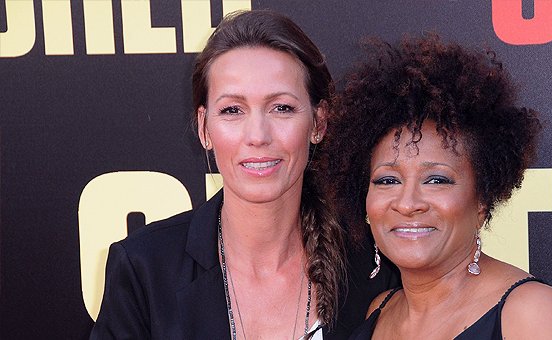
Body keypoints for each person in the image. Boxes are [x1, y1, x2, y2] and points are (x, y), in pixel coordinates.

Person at [91, 10, 397, 340]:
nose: (257, 135)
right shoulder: (144, 268)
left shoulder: (373, 265)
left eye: (282, 107)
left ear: (318, 123)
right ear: (204, 128)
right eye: (232, 110)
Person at [321, 34, 552, 339]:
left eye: (436, 180)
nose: (408, 203)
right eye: (388, 180)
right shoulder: (379, 311)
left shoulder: (530, 314)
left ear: (482, 200)